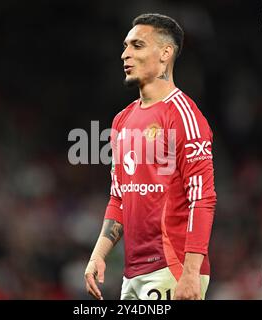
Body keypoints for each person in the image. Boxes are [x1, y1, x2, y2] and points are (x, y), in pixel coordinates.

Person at [84, 13, 217, 300]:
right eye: (125, 46)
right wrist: (98, 255)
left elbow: (202, 198)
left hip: (173, 268)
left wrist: (191, 272)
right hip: (132, 273)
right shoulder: (122, 121)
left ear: (165, 53)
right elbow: (119, 197)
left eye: (137, 46)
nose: (125, 54)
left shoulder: (183, 115)